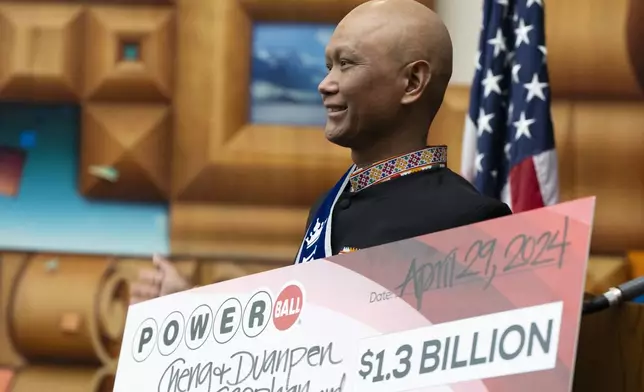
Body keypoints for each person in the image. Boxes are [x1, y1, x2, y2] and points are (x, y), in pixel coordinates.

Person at [130, 0, 512, 303]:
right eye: (329, 65)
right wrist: (183, 305)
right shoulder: (329, 206)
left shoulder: (468, 221)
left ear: (412, 82)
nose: (324, 84)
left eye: (346, 65)